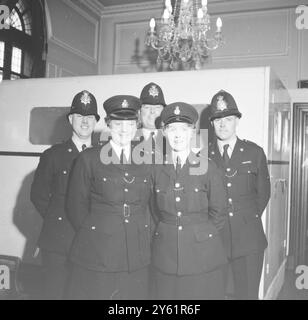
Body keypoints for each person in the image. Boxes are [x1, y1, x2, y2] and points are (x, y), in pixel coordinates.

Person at [65, 95, 152, 300]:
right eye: (117, 123)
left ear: (137, 125)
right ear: (107, 124)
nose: (124, 129)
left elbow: (151, 205)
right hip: (99, 252)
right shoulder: (89, 158)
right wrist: (99, 234)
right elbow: (75, 207)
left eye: (130, 123)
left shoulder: (147, 159)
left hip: (135, 254)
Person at [151, 102, 228, 300]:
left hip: (202, 257)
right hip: (166, 257)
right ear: (164, 133)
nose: (178, 135)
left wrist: (201, 237)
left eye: (184, 129)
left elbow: (219, 213)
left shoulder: (207, 167)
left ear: (192, 132)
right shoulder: (156, 169)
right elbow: (153, 212)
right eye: (172, 129)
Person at [30, 90, 100, 299]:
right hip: (58, 241)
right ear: (71, 119)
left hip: (90, 240)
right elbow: (38, 195)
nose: (85, 122)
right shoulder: (52, 155)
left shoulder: (101, 156)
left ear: (96, 121)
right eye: (79, 117)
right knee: (56, 293)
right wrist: (58, 220)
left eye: (89, 117)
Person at [208, 89, 271, 300]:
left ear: (237, 121)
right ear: (212, 124)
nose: (223, 124)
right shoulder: (202, 157)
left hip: (249, 240)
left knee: (247, 295)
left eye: (228, 119)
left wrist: (244, 217)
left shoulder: (254, 153)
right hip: (214, 239)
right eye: (218, 120)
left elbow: (263, 194)